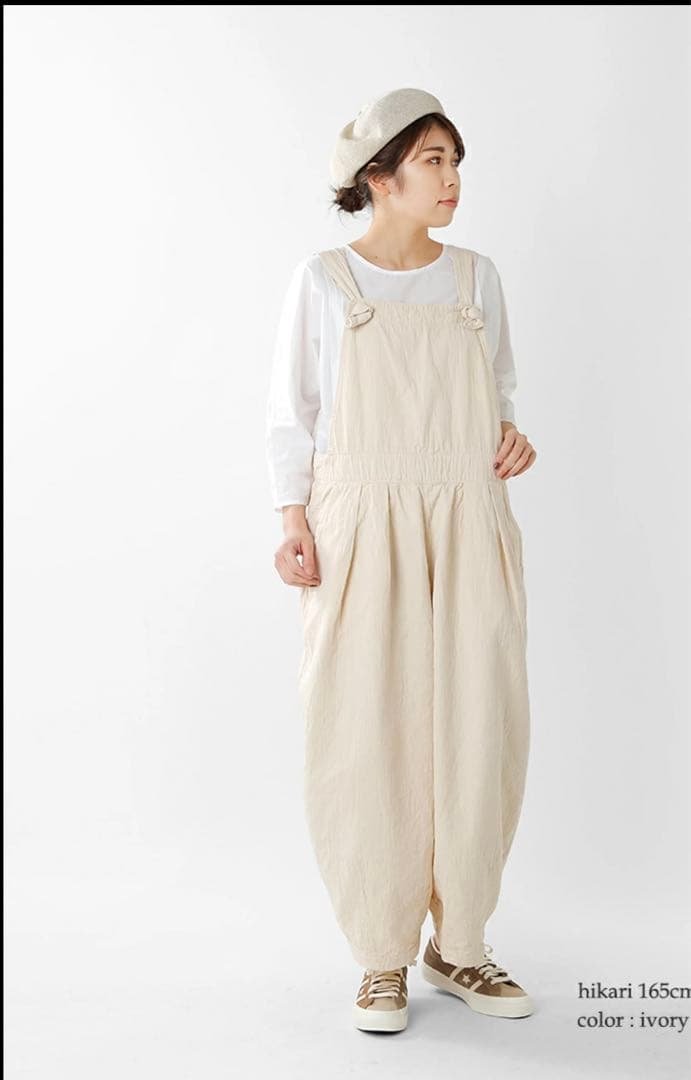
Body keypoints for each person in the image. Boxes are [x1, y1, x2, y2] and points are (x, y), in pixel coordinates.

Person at [266, 87, 537, 1034]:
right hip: (358, 518)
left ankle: (459, 943)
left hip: (467, 514)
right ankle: (379, 953)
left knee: (479, 722)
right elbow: (292, 413)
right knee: (363, 726)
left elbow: (498, 396)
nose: (453, 179)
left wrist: (510, 439)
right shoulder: (324, 282)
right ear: (378, 177)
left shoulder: (475, 280)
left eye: (456, 161)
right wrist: (291, 518)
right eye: (433, 160)